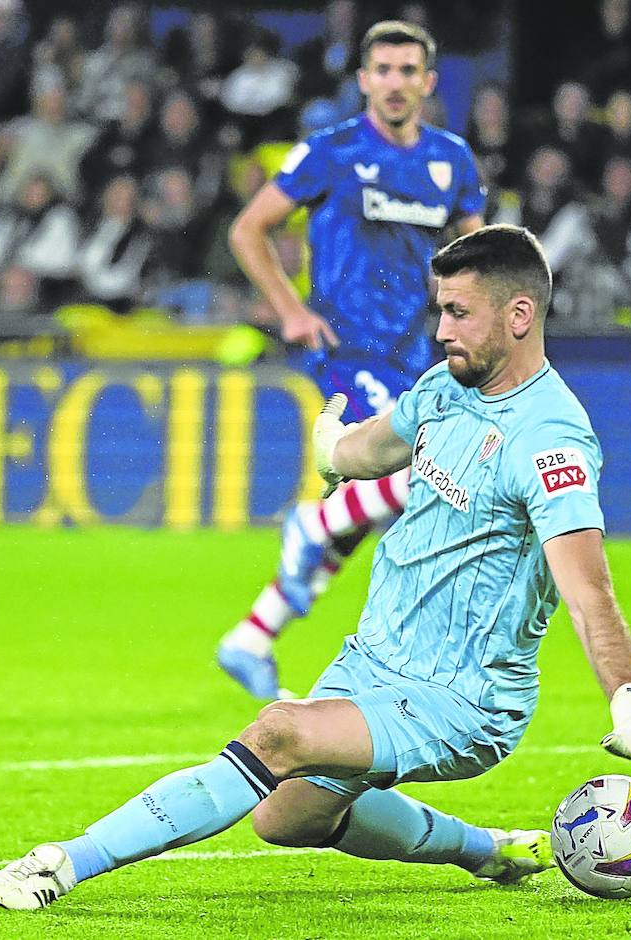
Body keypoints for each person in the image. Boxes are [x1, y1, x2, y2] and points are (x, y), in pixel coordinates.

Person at [0, 224, 631, 911]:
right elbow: (368, 451)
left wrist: (630, 706)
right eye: (440, 310)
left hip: (462, 698)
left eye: (459, 313)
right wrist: (331, 446)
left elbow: (589, 591)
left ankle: (58, 866)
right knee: (284, 817)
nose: (441, 330)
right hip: (374, 661)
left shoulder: (551, 441)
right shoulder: (444, 388)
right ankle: (489, 851)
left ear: (520, 315)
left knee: (278, 733)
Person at [216, 21, 486, 701]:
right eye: (383, 70)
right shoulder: (330, 151)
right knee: (425, 473)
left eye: (408, 71)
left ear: (428, 82)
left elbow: (478, 257)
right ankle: (311, 526)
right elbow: (248, 229)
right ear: (364, 80)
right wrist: (289, 310)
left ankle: (253, 635)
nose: (395, 83)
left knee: (374, 503)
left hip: (415, 352)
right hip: (346, 347)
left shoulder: (451, 160)